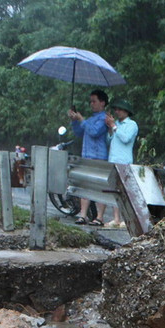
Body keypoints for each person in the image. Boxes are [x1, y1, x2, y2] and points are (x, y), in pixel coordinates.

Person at [68, 89, 109, 226]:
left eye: (94, 101)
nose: (91, 104)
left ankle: (100, 217)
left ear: (102, 103)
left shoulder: (104, 119)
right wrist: (75, 121)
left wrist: (81, 119)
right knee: (85, 185)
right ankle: (83, 215)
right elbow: (80, 132)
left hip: (98, 156)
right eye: (90, 101)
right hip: (86, 155)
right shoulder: (91, 119)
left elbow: (94, 132)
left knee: (98, 186)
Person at [104, 99, 139, 228]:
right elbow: (109, 141)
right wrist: (110, 128)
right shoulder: (116, 124)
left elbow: (125, 139)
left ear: (126, 111)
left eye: (119, 109)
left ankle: (127, 218)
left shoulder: (132, 125)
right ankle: (116, 218)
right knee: (115, 190)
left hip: (124, 161)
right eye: (116, 110)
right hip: (113, 159)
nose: (117, 112)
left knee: (125, 191)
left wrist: (114, 126)